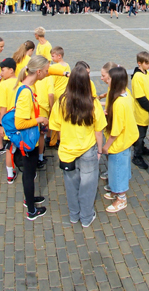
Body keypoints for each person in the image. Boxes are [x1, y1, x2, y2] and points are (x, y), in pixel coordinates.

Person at [49, 64, 106, 227]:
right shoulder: (92, 103)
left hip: (67, 150)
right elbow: (98, 131)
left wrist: (63, 143)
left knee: (71, 185)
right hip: (88, 150)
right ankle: (86, 217)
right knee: (88, 186)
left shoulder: (61, 102)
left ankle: (74, 215)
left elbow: (57, 128)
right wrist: (99, 151)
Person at [14, 55, 51, 220]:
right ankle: (31, 210)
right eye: (46, 71)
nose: (47, 73)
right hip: (28, 141)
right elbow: (19, 123)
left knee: (30, 172)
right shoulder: (25, 93)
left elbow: (51, 70)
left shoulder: (30, 85)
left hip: (32, 138)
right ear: (38, 71)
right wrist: (40, 119)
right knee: (29, 174)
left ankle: (29, 198)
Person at [101, 66, 139, 214]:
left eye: (109, 79)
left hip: (119, 142)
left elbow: (116, 131)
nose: (106, 81)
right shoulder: (126, 95)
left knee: (117, 169)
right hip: (127, 139)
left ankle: (121, 197)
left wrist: (106, 147)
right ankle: (117, 191)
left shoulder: (118, 103)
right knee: (121, 167)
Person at [131, 51, 149, 169]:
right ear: (139, 63)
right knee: (139, 135)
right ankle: (137, 155)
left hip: (147, 111)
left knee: (144, 132)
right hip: (141, 112)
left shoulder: (147, 73)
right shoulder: (137, 77)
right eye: (146, 63)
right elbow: (140, 97)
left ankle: (142, 148)